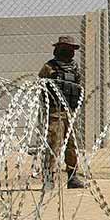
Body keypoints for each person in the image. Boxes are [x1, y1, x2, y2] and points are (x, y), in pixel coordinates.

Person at [39, 36, 85, 189]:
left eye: (72, 49)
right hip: (55, 112)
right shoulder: (49, 67)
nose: (70, 51)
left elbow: (78, 87)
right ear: (58, 49)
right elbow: (41, 87)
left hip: (70, 111)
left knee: (72, 145)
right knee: (54, 143)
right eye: (67, 48)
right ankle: (49, 177)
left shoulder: (74, 68)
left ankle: (72, 177)